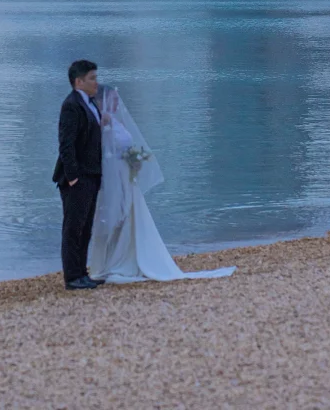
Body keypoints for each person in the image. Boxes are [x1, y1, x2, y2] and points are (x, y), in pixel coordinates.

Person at [87, 85, 234, 284]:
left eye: (116, 99)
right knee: (113, 216)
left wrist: (134, 161)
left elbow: (124, 146)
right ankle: (110, 261)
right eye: (112, 99)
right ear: (101, 101)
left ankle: (125, 258)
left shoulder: (115, 121)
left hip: (126, 178)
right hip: (113, 178)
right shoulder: (101, 122)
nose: (116, 102)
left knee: (128, 217)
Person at [53, 58, 104, 290]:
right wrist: (73, 176)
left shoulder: (90, 103)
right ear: (78, 81)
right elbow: (66, 144)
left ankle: (82, 272)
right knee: (73, 227)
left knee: (85, 227)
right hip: (77, 178)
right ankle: (72, 277)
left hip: (91, 174)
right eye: (92, 78)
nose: (96, 82)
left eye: (95, 77)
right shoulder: (71, 105)